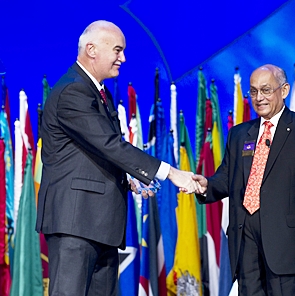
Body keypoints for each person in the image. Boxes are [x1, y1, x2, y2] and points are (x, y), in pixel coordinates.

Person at [35, 20, 196, 296]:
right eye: (118, 50)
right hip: (76, 224)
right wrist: (170, 172)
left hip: (100, 224)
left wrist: (129, 178)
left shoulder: (99, 91)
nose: (123, 58)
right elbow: (109, 144)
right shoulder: (73, 90)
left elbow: (93, 152)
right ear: (92, 49)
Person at [193, 64, 295, 295]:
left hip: (289, 249)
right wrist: (206, 185)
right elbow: (227, 177)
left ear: (285, 90)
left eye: (266, 90)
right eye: (254, 91)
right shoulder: (239, 135)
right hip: (246, 247)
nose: (259, 98)